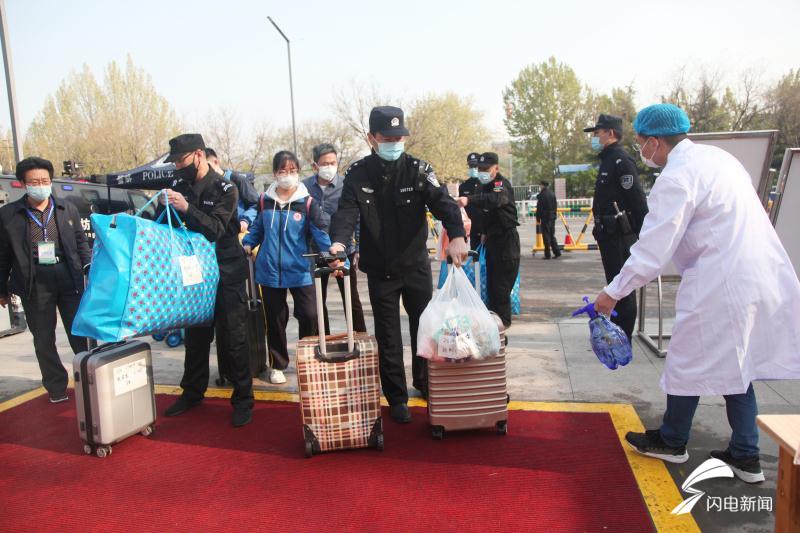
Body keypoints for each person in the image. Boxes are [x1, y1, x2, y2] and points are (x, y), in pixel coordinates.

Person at [593, 103, 800, 482]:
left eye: (643, 143)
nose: (643, 151)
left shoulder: (677, 176)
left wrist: (612, 292)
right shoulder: (719, 159)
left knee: (686, 360)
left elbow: (653, 250)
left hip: (721, 281)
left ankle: (673, 440)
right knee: (737, 365)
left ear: (655, 141)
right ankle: (746, 453)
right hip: (760, 271)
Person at [328, 106, 468, 424]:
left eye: (399, 137)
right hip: (380, 269)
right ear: (372, 138)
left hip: (415, 265)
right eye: (388, 138)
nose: (395, 143)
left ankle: (425, 382)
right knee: (389, 336)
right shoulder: (358, 174)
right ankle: (397, 397)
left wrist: (457, 235)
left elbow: (444, 204)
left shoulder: (418, 170)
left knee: (425, 328)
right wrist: (338, 243)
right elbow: (347, 213)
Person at [160, 134, 254, 428]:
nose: (177, 167)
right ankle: (192, 392)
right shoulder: (178, 185)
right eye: (174, 162)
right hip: (194, 272)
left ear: (198, 155)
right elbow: (162, 223)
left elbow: (215, 228)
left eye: (181, 160)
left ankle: (243, 399)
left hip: (226, 272)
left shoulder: (226, 188)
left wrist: (187, 208)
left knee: (234, 338)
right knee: (196, 337)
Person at [0, 157, 91, 403]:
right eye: (34, 182)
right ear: (22, 183)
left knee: (80, 333)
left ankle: (89, 379)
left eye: (44, 181)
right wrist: (2, 289)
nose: (40, 185)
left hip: (68, 279)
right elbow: (3, 254)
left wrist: (88, 267)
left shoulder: (65, 208)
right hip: (34, 283)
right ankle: (56, 387)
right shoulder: (9, 214)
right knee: (43, 338)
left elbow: (81, 242)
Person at [243, 150, 332, 385]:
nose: (288, 175)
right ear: (275, 173)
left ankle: (307, 360)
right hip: (269, 270)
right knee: (275, 319)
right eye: (283, 171)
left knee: (310, 314)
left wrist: (331, 252)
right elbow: (258, 229)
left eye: (293, 170)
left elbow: (319, 232)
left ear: (298, 172)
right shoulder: (264, 200)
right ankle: (278, 364)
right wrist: (248, 242)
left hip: (301, 269)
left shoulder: (307, 202)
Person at [584, 114, 648, 340]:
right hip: (607, 234)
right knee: (614, 282)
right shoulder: (608, 160)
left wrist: (644, 237)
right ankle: (617, 329)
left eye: (597, 132)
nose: (594, 137)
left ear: (610, 133)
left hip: (620, 234)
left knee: (623, 287)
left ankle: (623, 336)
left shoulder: (621, 160)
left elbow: (638, 202)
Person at [303, 143, 367, 335]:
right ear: (315, 166)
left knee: (351, 298)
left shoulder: (346, 186)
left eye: (333, 162)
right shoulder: (304, 188)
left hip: (343, 251)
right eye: (324, 163)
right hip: (315, 252)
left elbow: (356, 219)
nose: (329, 167)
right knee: (316, 302)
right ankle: (322, 339)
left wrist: (359, 248)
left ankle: (359, 337)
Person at [457, 152, 520, 328]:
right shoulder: (484, 186)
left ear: (496, 168)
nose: (482, 172)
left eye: (486, 169)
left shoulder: (500, 184)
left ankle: (503, 324)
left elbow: (496, 200)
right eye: (480, 169)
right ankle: (494, 322)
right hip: (492, 239)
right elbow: (486, 212)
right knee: (492, 284)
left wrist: (468, 199)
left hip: (506, 241)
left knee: (501, 286)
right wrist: (484, 231)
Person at [205, 148, 258, 234]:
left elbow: (256, 204)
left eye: (207, 166)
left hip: (238, 232)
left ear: (215, 162)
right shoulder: (205, 184)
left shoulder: (238, 180)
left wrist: (245, 220)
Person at [458, 152, 484, 250]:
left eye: (476, 165)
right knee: (475, 258)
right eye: (471, 166)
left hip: (487, 227)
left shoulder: (487, 184)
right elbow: (462, 210)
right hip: (474, 227)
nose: (473, 168)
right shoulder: (464, 186)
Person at [536, 180, 560, 259]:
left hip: (545, 217)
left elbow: (539, 208)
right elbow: (555, 206)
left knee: (546, 236)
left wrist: (538, 218)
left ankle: (547, 254)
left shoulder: (542, 195)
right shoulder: (552, 194)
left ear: (542, 185)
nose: (540, 187)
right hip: (552, 217)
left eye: (540, 185)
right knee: (551, 235)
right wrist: (554, 215)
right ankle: (557, 252)